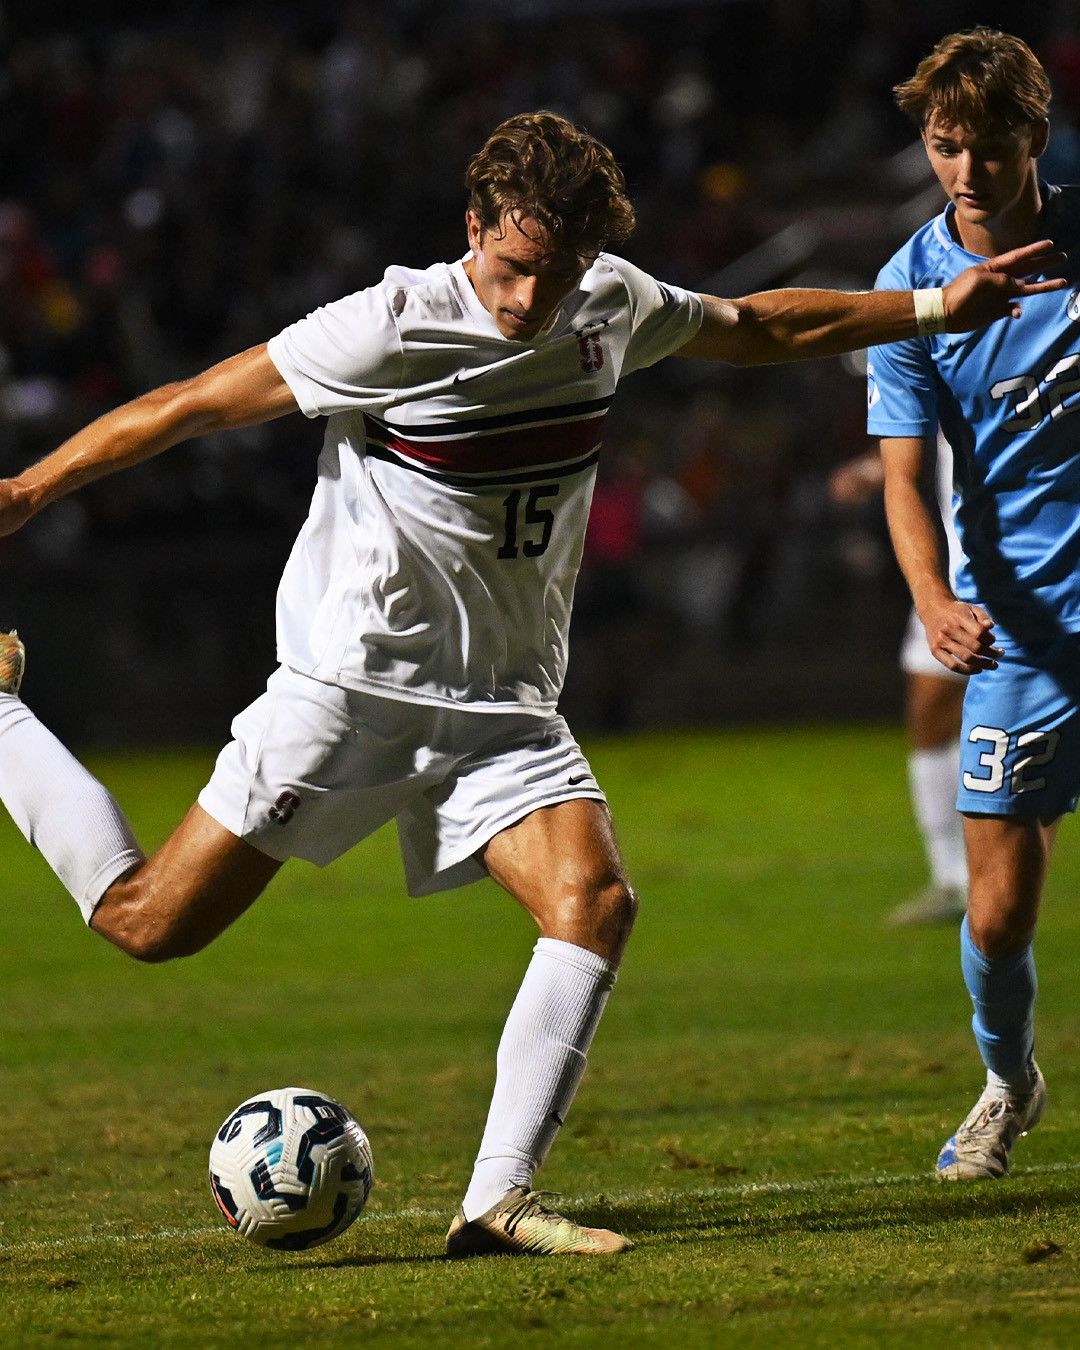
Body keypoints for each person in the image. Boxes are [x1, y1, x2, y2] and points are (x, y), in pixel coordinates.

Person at [0, 111, 1061, 1253]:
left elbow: (754, 324)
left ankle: (496, 1199)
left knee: (594, 901)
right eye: (511, 267)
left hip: (506, 709)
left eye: (553, 275)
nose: (528, 300)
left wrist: (929, 306)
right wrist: (26, 493)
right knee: (147, 922)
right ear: (473, 230)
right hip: (353, 693)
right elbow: (193, 403)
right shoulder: (393, 324)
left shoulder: (606, 301)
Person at [867, 28, 1077, 1182]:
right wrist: (933, 597)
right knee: (997, 916)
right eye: (946, 147)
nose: (965, 170)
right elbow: (904, 475)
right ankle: (1009, 1081)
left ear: (1033, 140)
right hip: (1021, 630)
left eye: (988, 147)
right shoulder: (911, 289)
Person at [828, 435, 969, 926]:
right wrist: (873, 468)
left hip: (1019, 551)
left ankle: (969, 881)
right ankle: (954, 879)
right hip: (960, 561)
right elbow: (918, 422)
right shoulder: (934, 359)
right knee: (931, 714)